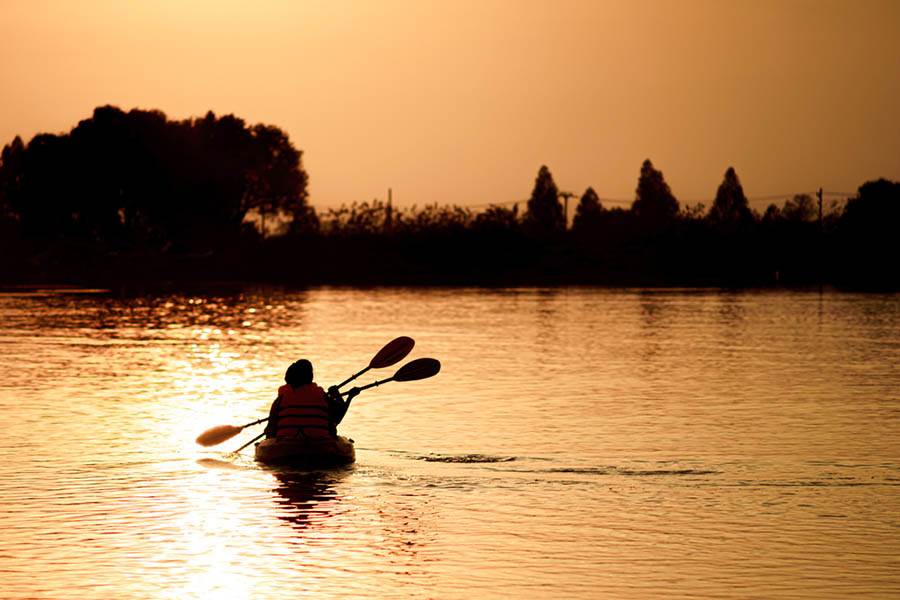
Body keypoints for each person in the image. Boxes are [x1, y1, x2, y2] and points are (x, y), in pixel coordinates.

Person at [264, 359, 360, 439]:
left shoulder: (281, 399)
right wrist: (345, 396)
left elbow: (270, 431)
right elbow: (337, 418)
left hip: (286, 446)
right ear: (310, 377)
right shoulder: (321, 396)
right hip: (321, 444)